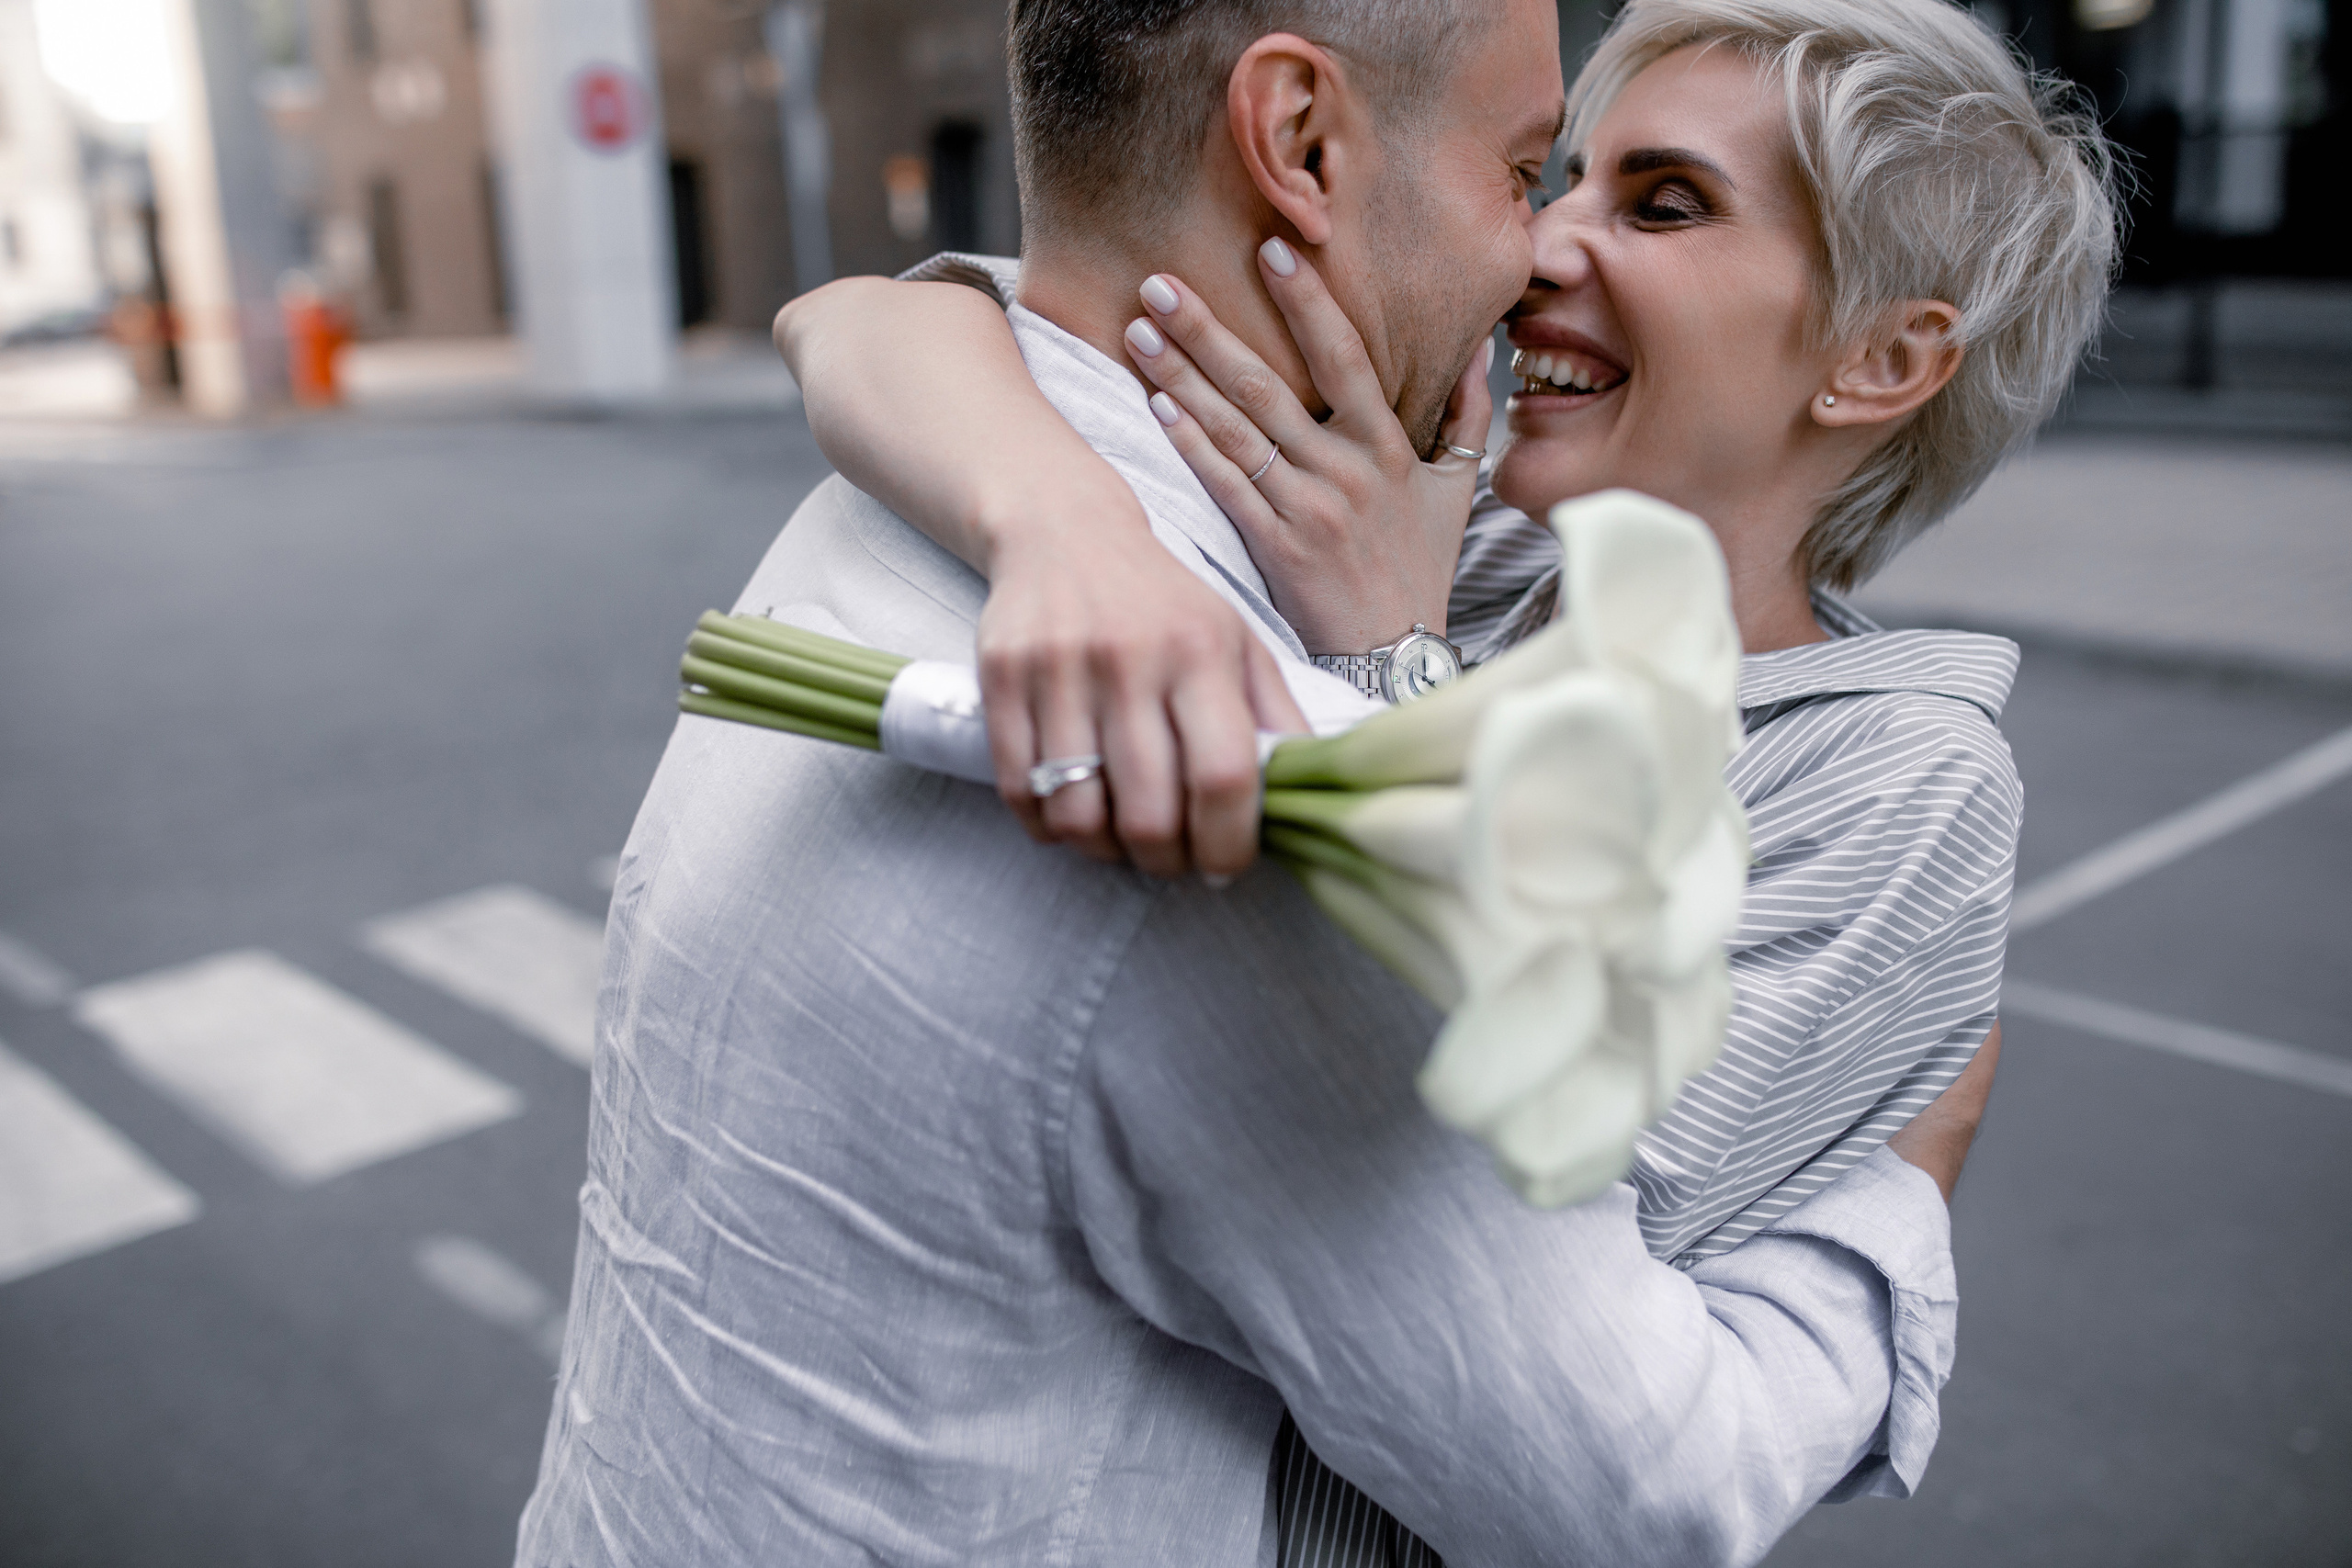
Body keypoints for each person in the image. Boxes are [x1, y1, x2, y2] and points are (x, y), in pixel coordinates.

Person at [517, 2, 2021, 1564]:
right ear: (1299, 142)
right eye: (1531, 170)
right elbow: (1631, 1482)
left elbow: (878, 316)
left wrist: (1108, 537)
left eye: (1654, 202)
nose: (1543, 250)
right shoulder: (1220, 783)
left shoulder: (914, 500)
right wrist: (1898, 1200)